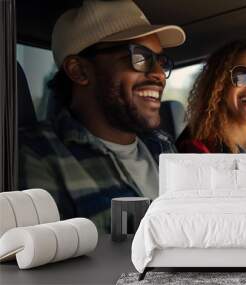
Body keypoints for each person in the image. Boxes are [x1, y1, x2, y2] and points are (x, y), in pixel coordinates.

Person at [18, 0, 185, 232]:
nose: (159, 75)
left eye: (161, 61)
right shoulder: (39, 155)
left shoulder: (162, 145)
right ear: (79, 71)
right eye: (140, 58)